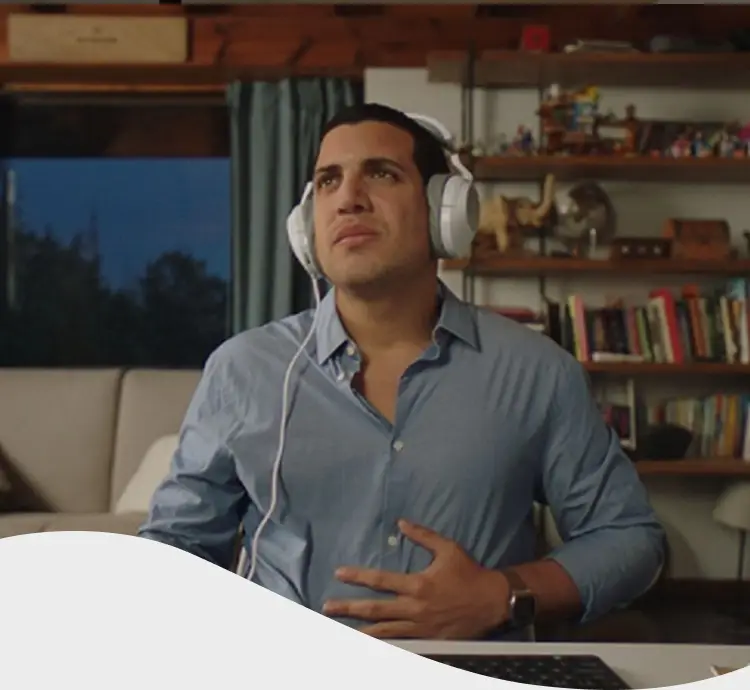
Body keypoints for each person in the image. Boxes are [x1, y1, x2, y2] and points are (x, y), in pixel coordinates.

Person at [138, 102, 666, 640]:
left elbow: (629, 538)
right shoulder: (242, 370)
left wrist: (501, 594)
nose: (348, 198)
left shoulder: (537, 373)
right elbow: (176, 549)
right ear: (306, 227)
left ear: (444, 212)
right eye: (328, 180)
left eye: (381, 174)